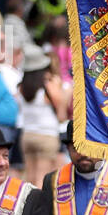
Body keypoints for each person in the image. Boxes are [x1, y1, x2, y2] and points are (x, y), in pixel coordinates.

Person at [16, 44, 65, 187]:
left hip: (27, 134)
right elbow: (61, 108)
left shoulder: (22, 87)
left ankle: (27, 205)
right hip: (46, 135)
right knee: (41, 178)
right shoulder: (47, 86)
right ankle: (38, 208)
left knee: (30, 177)